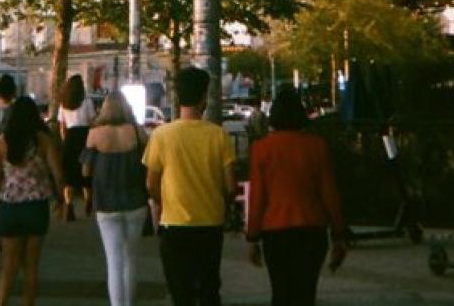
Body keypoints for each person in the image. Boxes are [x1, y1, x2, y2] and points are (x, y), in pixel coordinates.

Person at [245, 85, 348, 305]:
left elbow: (258, 198)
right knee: (305, 293)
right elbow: (329, 193)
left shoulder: (261, 149)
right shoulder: (316, 147)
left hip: (276, 231)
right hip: (312, 229)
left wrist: (252, 237)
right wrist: (339, 233)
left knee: (281, 292)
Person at [143, 66, 236, 306]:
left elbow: (151, 184)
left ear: (177, 96)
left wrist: (164, 203)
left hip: (173, 224)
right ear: (204, 97)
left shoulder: (161, 135)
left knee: (180, 291)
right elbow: (230, 185)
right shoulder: (218, 136)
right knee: (208, 288)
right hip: (210, 223)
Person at [0, 95, 63, 306]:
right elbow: (58, 174)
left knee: (8, 265)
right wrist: (61, 200)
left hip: (10, 207)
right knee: (31, 266)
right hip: (36, 207)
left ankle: (2, 303)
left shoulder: (1, 143)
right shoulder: (44, 141)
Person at [82, 91, 150, 306]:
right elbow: (148, 165)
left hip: (106, 203)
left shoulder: (95, 134)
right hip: (135, 202)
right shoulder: (138, 133)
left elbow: (86, 171)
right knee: (131, 260)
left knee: (114, 262)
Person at [57, 74, 96, 220]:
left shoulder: (64, 103)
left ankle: (69, 205)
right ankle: (88, 201)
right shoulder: (87, 102)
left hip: (70, 137)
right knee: (86, 172)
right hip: (85, 136)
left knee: (70, 173)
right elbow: (92, 121)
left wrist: (65, 140)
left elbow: (62, 126)